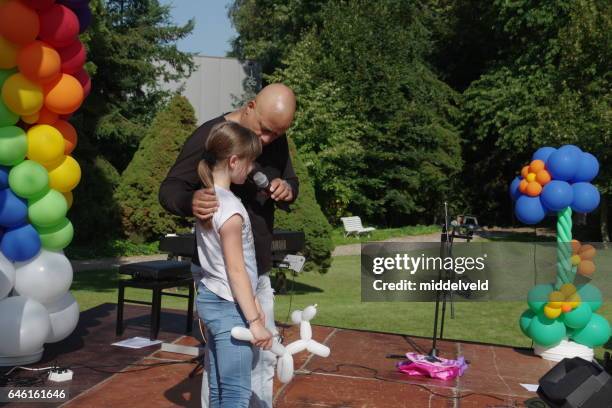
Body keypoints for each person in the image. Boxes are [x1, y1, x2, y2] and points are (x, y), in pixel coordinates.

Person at [159, 83, 298, 408]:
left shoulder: (275, 137)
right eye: (263, 132)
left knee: (261, 361)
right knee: (224, 370)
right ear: (250, 106)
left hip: (257, 267)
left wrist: (287, 188)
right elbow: (169, 188)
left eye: (276, 136)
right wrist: (189, 200)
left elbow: (292, 181)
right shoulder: (212, 136)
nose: (266, 143)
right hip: (221, 279)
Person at [195, 121, 273, 408]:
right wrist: (254, 321)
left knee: (219, 389)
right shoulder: (230, 209)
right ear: (233, 161)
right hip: (229, 307)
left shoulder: (209, 199)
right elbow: (235, 268)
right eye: (249, 161)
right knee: (236, 394)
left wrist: (252, 301)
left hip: (215, 299)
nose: (251, 169)